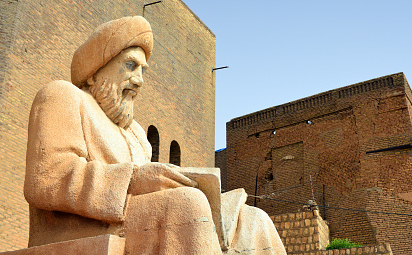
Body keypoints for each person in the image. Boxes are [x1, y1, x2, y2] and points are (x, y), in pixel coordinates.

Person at [24, 16, 285, 254]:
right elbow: (46, 179)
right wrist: (134, 180)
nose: (139, 80)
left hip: (133, 218)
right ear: (95, 70)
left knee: (253, 220)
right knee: (186, 206)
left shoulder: (137, 134)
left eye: (143, 70)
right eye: (130, 65)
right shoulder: (63, 96)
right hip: (82, 225)